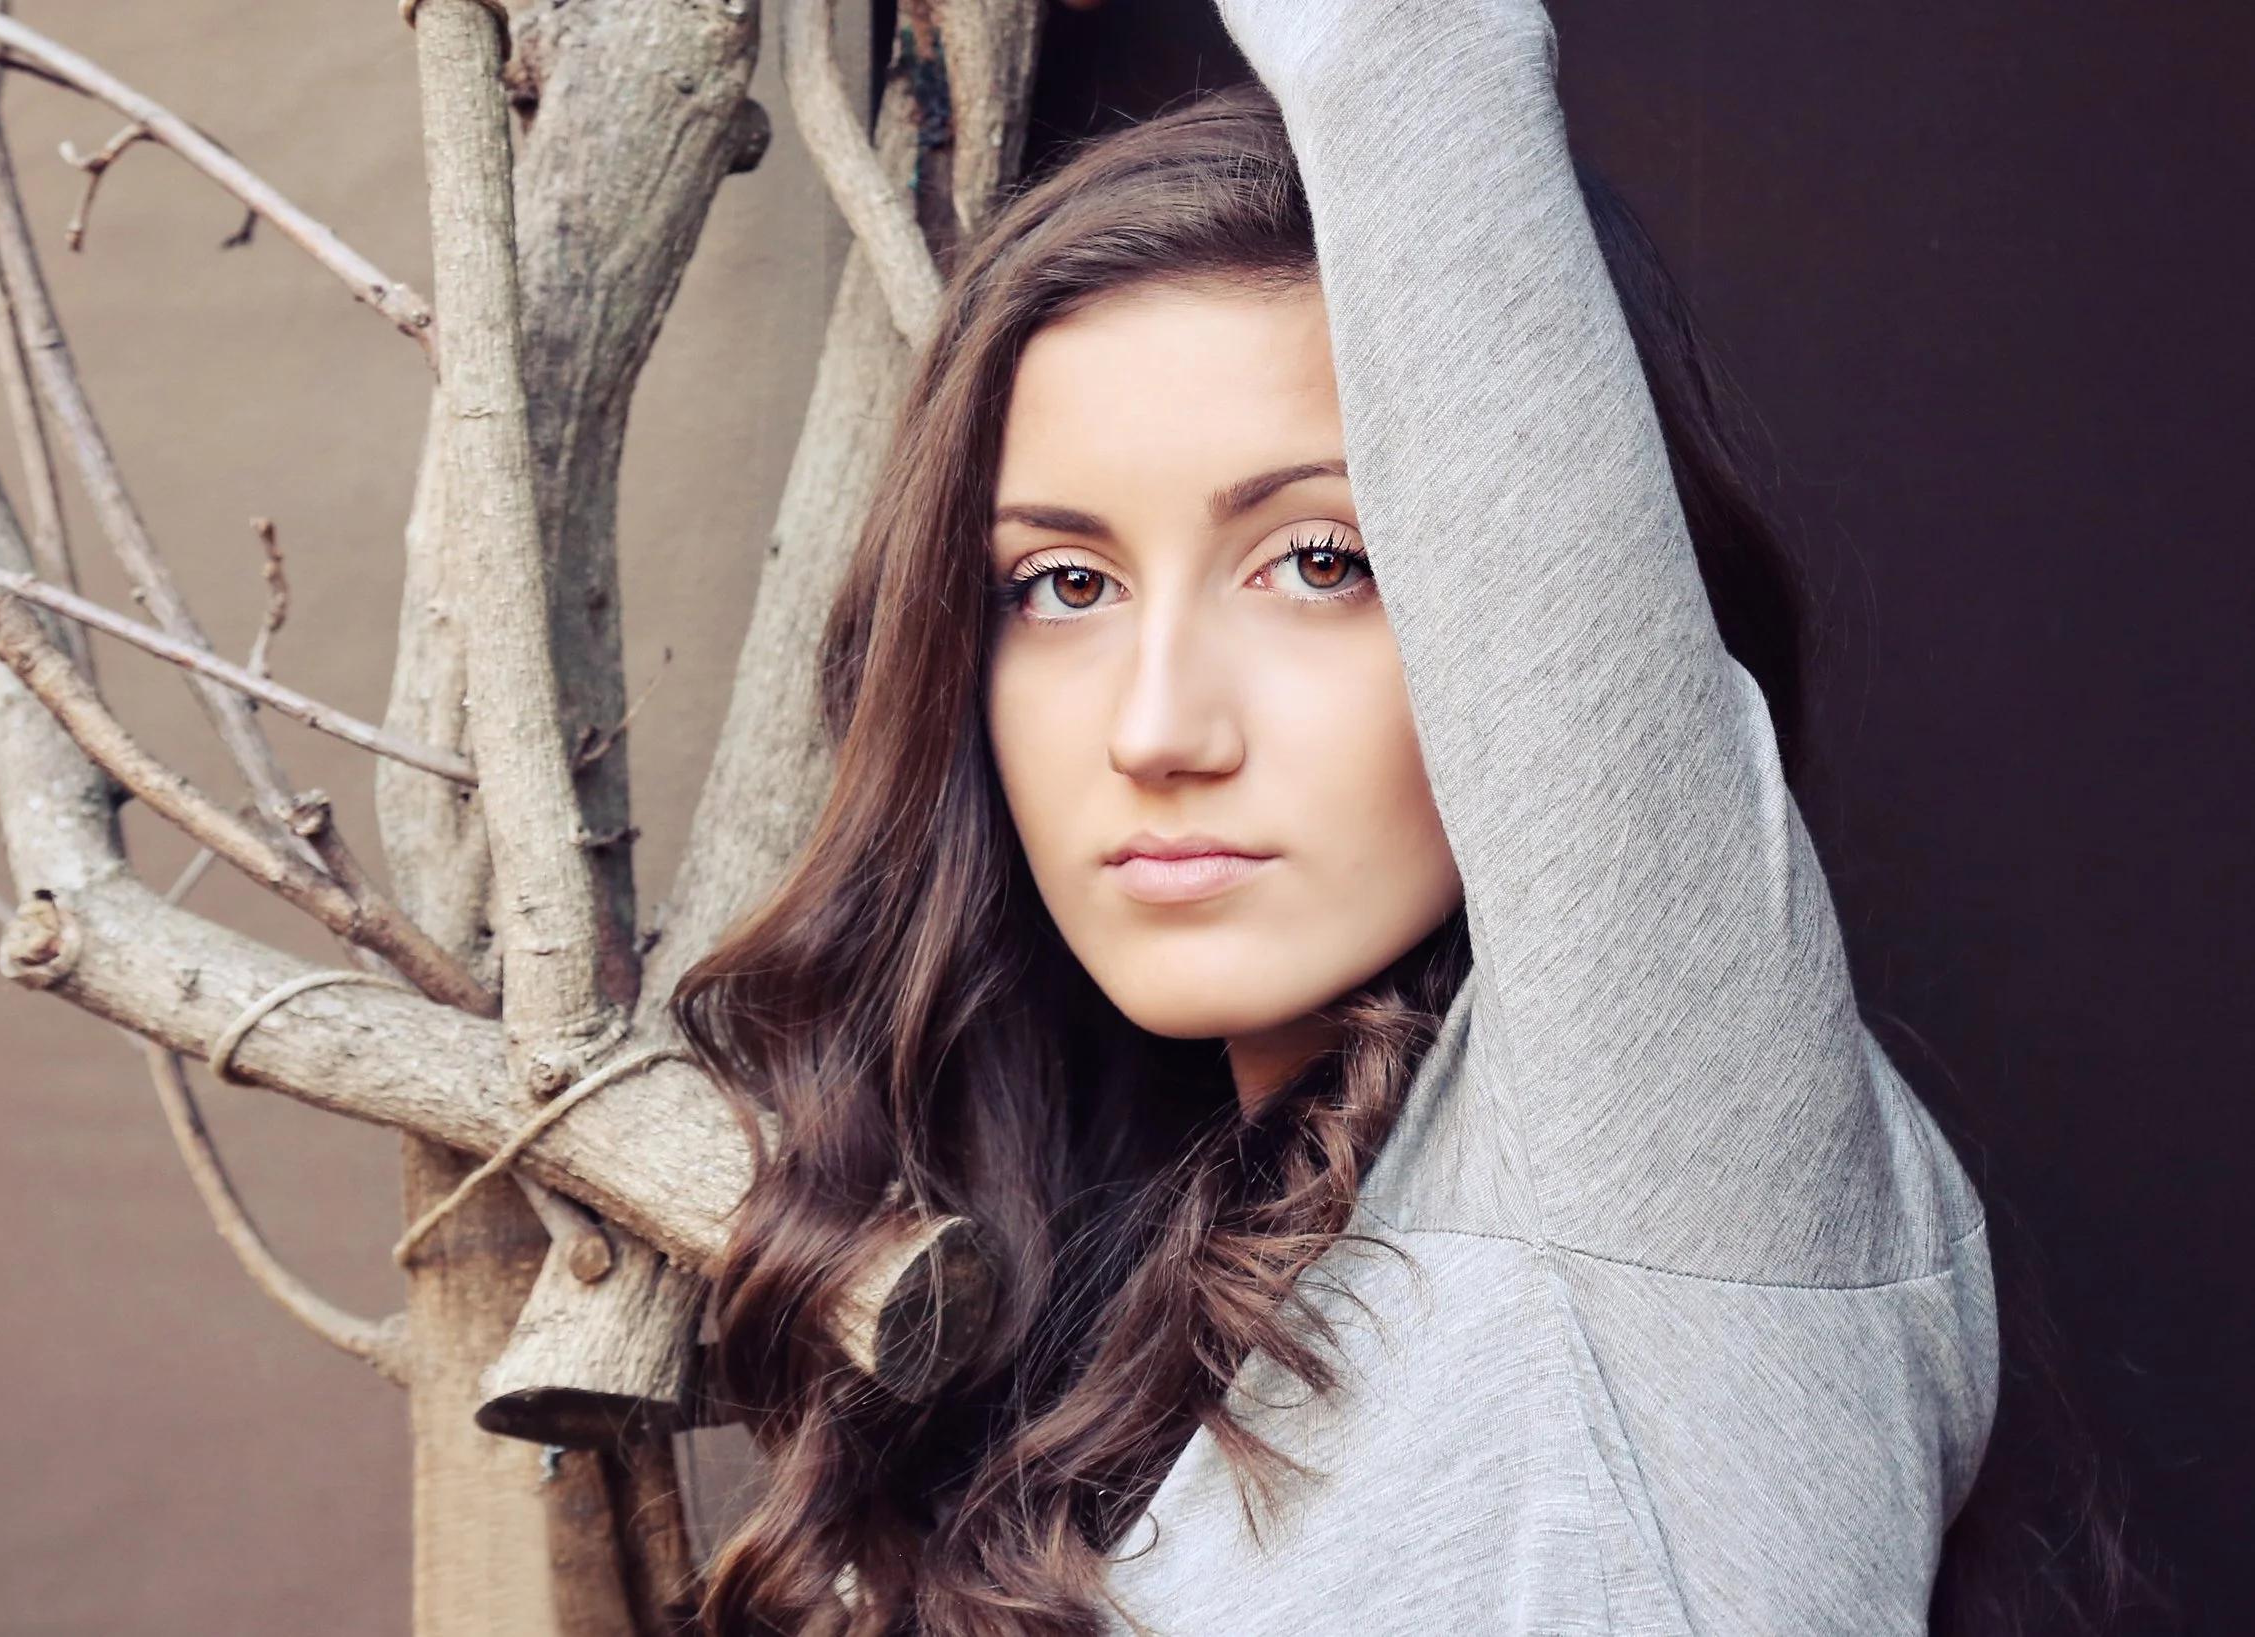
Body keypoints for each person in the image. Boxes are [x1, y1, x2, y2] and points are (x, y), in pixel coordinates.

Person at [677, 2, 1997, 1631]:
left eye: (1320, 562)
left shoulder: (1661, 1159)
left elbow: (1405, 44)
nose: (1158, 729)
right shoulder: (1092, 1309)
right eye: (1064, 584)